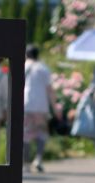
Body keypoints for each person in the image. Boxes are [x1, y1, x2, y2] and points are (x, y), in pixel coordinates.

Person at [23, 45, 59, 173]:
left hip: (25, 105)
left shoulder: (23, 66)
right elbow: (50, 89)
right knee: (41, 133)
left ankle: (26, 163)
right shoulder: (43, 68)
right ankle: (38, 159)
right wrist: (55, 107)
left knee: (25, 134)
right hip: (41, 106)